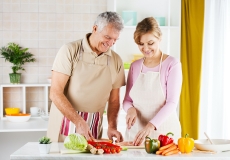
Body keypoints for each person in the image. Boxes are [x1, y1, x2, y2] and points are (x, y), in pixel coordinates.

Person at [47, 11, 125, 143]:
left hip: (93, 125)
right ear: (95, 29)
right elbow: (55, 93)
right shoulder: (69, 51)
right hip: (64, 122)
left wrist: (112, 126)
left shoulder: (116, 60)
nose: (111, 43)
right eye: (107, 37)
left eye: (115, 40)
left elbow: (114, 100)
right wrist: (78, 121)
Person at [123, 17, 182, 146]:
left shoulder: (172, 64)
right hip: (136, 135)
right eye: (141, 44)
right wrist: (130, 110)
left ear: (159, 38)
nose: (145, 48)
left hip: (165, 134)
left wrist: (150, 126)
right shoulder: (135, 66)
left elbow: (172, 103)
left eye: (150, 43)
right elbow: (127, 100)